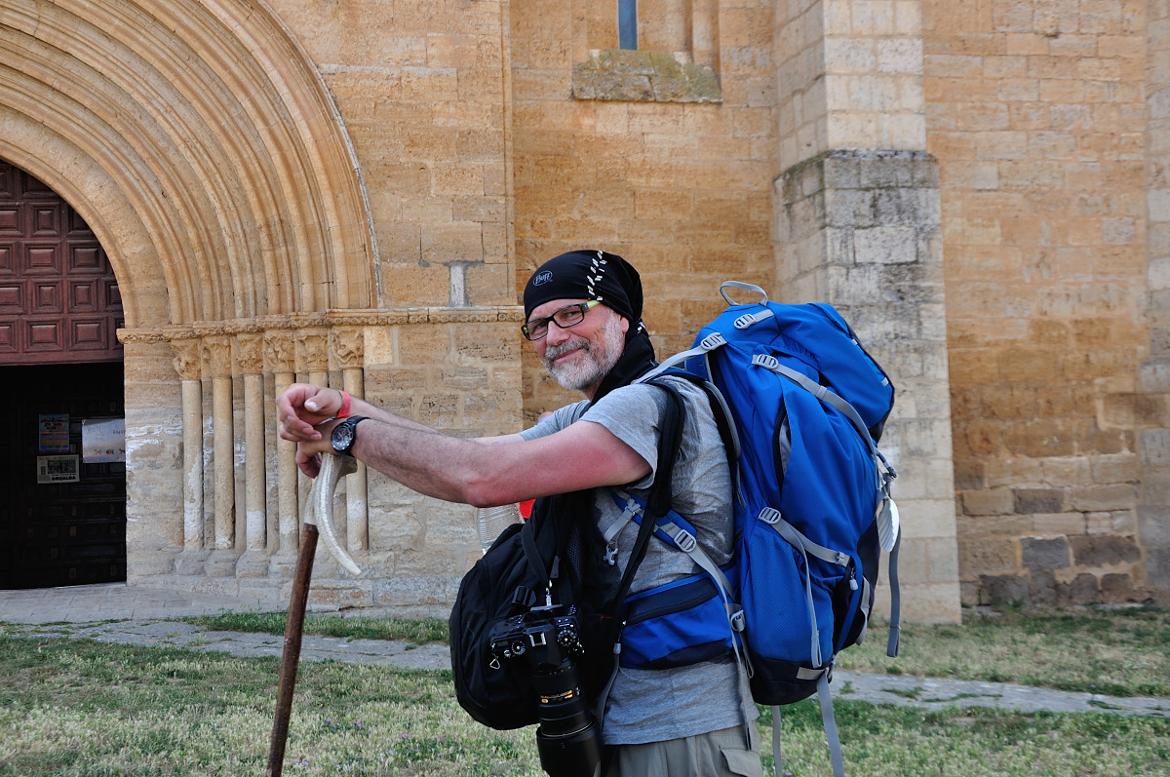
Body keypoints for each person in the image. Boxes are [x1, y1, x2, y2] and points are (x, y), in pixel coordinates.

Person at [278, 249, 762, 777]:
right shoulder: (595, 412)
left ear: (622, 316)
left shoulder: (647, 407)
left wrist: (347, 435)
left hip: (677, 725)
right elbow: (464, 453)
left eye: (572, 313)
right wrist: (345, 409)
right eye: (538, 325)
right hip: (616, 710)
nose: (554, 336)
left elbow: (481, 478)